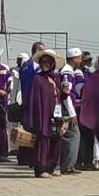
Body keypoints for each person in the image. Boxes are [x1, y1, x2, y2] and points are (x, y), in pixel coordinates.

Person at [27, 49, 66, 178]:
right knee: (43, 141)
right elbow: (34, 99)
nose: (45, 65)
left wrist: (64, 94)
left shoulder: (55, 78)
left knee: (55, 140)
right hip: (43, 115)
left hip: (56, 114)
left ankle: (51, 167)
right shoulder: (38, 79)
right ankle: (41, 169)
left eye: (48, 62)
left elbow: (58, 96)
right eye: (43, 62)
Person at [19, 42, 45, 166]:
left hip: (26, 100)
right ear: (37, 50)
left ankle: (23, 157)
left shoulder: (25, 65)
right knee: (33, 131)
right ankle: (31, 158)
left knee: (27, 129)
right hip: (34, 102)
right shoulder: (36, 67)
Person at [59, 48, 83, 174]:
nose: (80, 61)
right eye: (79, 58)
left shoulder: (69, 71)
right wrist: (72, 113)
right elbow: (66, 94)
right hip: (67, 109)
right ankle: (68, 165)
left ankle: (68, 164)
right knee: (74, 135)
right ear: (74, 59)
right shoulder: (67, 73)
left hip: (68, 107)